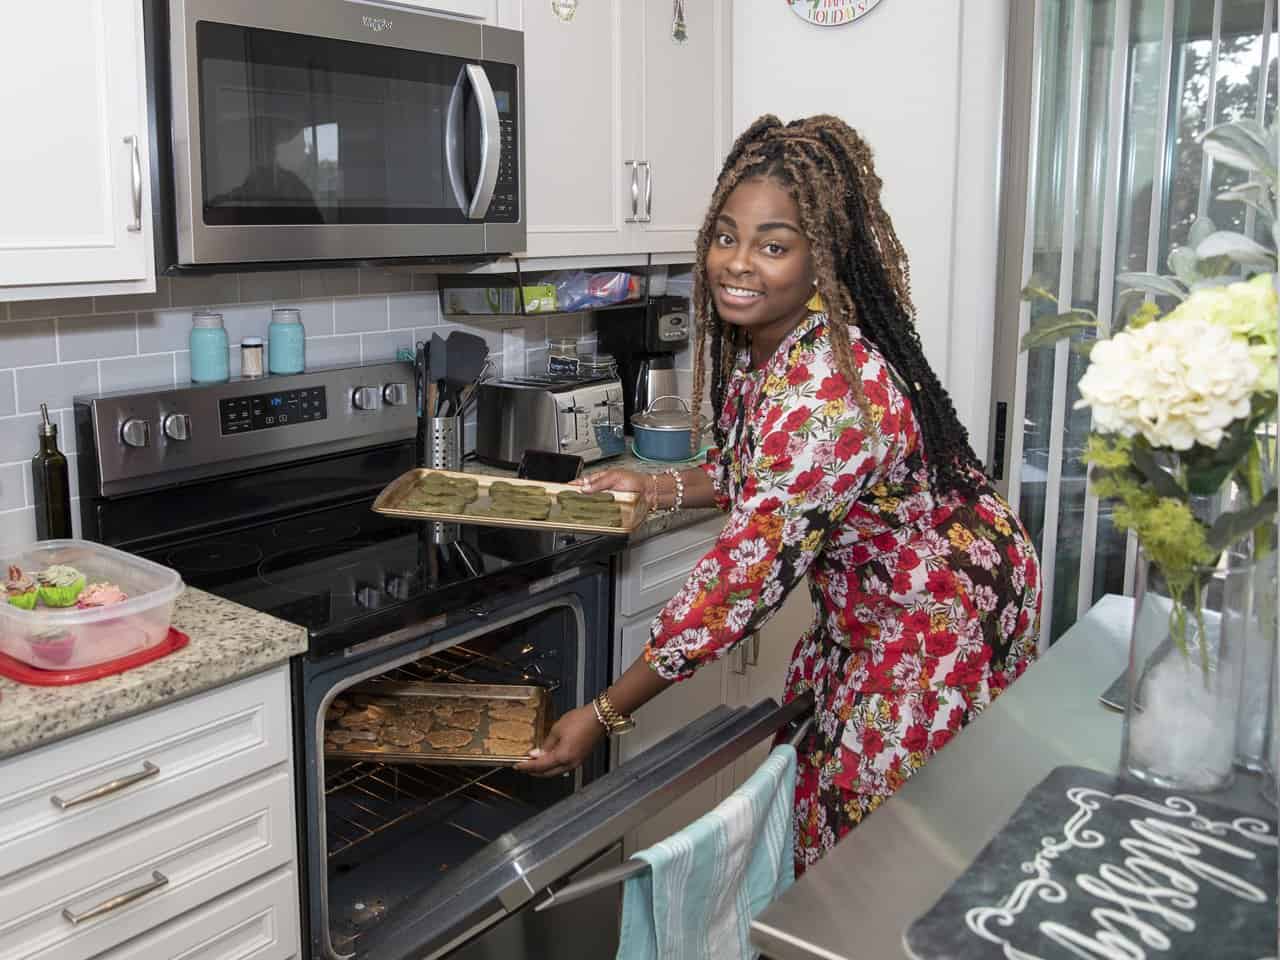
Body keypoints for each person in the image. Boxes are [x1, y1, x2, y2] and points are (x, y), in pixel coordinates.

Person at [516, 115, 1041, 870]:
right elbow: (743, 474)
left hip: (937, 617)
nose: (737, 263)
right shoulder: (773, 351)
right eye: (726, 236)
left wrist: (601, 714)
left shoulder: (826, 398)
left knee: (870, 854)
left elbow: (736, 586)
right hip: (873, 604)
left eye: (773, 245)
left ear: (819, 259)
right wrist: (653, 484)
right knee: (815, 797)